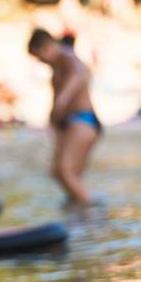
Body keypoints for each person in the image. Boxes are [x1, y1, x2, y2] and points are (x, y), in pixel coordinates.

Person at [28, 28, 101, 206]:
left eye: (39, 56)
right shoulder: (58, 65)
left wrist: (59, 105)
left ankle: (90, 214)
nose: (40, 62)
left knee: (65, 171)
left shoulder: (69, 59)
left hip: (83, 120)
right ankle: (77, 208)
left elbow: (73, 84)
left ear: (47, 47)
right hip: (70, 123)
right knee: (60, 172)